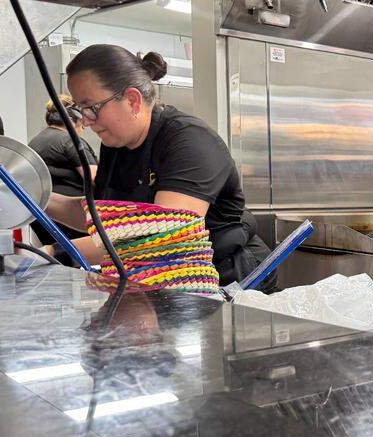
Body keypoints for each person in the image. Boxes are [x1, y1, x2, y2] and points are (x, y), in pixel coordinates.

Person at [42, 44, 272, 287]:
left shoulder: (188, 141)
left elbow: (161, 238)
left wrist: (55, 252)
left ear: (132, 100)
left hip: (229, 279)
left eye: (92, 108)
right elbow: (99, 217)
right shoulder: (116, 146)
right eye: (80, 110)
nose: (86, 121)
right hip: (161, 280)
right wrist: (39, 198)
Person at [28, 95, 98, 248]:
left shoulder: (35, 141)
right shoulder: (70, 141)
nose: (84, 127)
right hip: (72, 220)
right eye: (82, 123)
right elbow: (95, 178)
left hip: (43, 218)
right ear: (72, 121)